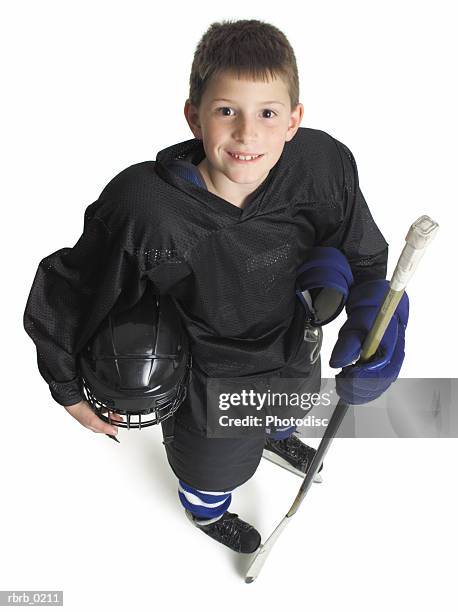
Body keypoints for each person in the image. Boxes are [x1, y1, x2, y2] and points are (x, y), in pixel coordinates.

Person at [24, 19, 407, 555]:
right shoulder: (145, 210)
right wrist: (66, 386)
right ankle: (206, 510)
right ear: (193, 116)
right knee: (214, 469)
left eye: (268, 114)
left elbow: (363, 253)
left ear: (294, 120)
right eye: (227, 111)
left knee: (287, 408)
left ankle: (274, 434)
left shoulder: (323, 167)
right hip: (208, 374)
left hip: (294, 340)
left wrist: (378, 323)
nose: (248, 134)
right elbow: (70, 290)